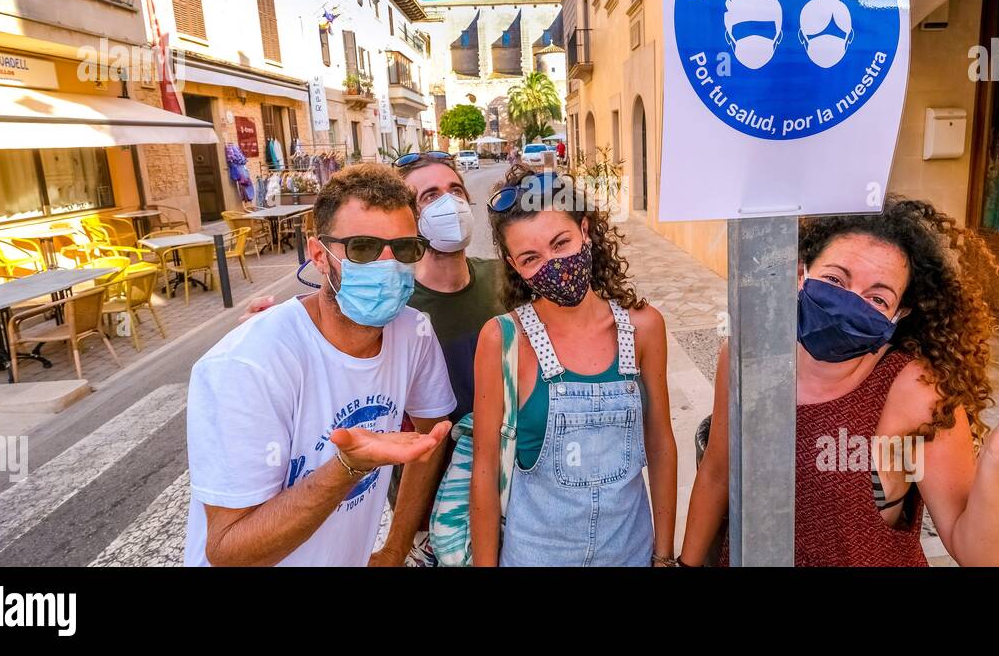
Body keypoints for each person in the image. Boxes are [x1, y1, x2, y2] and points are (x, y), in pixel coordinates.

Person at [679, 197, 999, 567]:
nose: (851, 301)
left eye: (877, 297)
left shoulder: (914, 391)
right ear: (800, 273)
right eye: (834, 281)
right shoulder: (745, 359)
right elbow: (719, 474)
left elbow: (981, 553)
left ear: (899, 315)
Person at [238, 150, 505, 566]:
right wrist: (275, 328)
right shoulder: (390, 306)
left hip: (509, 480)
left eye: (455, 190)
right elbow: (332, 309)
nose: (448, 205)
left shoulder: (499, 281)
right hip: (429, 502)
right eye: (430, 195)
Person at [184, 163, 454, 567]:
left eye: (403, 249)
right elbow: (228, 551)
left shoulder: (414, 333)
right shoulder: (245, 365)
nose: (388, 265)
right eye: (363, 249)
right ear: (319, 255)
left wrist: (396, 549)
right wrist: (347, 467)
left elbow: (430, 436)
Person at [470, 167, 677, 566]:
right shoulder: (502, 339)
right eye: (532, 258)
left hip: (629, 553)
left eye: (560, 242)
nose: (553, 264)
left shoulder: (644, 328)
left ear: (585, 231)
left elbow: (660, 443)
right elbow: (484, 467)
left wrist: (664, 555)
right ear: (514, 265)